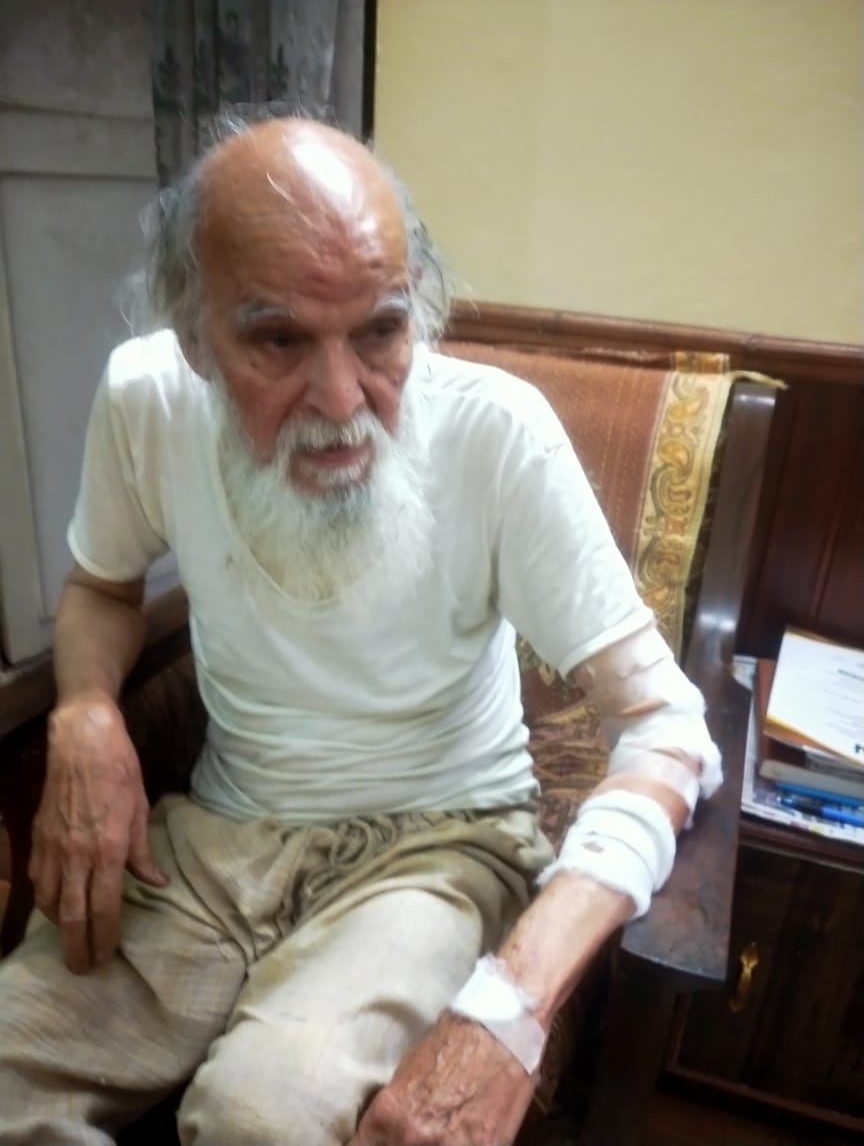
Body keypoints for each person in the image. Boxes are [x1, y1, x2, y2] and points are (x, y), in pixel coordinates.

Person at [0, 115, 721, 1146]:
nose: (342, 400)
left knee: (261, 1119)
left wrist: (510, 1010)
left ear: (417, 306)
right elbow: (103, 589)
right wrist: (83, 713)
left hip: (440, 846)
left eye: (381, 331)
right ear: (194, 338)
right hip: (218, 837)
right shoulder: (145, 399)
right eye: (278, 340)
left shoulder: (495, 432)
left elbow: (667, 727)